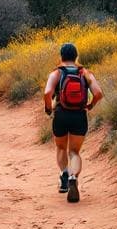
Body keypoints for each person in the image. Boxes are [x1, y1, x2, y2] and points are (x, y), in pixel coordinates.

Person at [43, 42, 102, 203]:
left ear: (61, 56)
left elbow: (48, 92)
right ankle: (73, 177)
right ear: (76, 56)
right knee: (74, 152)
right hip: (79, 116)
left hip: (61, 114)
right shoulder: (84, 73)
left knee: (61, 147)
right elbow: (99, 93)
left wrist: (48, 108)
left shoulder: (56, 73)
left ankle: (63, 174)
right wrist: (90, 105)